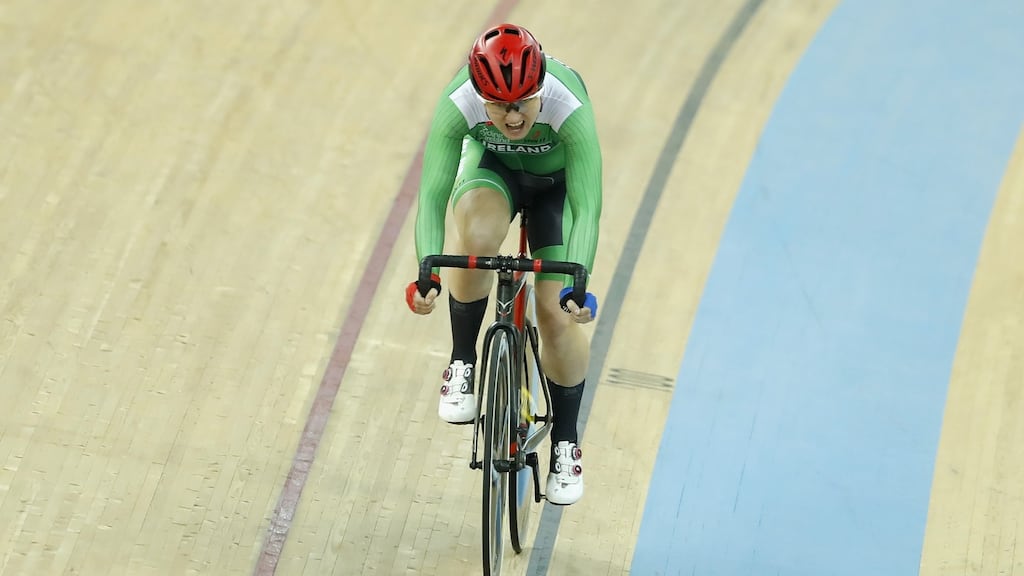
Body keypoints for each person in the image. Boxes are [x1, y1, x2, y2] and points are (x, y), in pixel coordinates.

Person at [405, 23, 602, 506]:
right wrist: (427, 272)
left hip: (556, 190)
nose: (513, 118)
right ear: (479, 95)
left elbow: (587, 207)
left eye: (523, 104)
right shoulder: (458, 103)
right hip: (493, 172)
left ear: (540, 89)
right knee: (475, 237)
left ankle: (566, 444)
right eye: (498, 105)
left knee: (555, 313)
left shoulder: (568, 106)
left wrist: (578, 283)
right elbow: (431, 198)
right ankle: (462, 360)